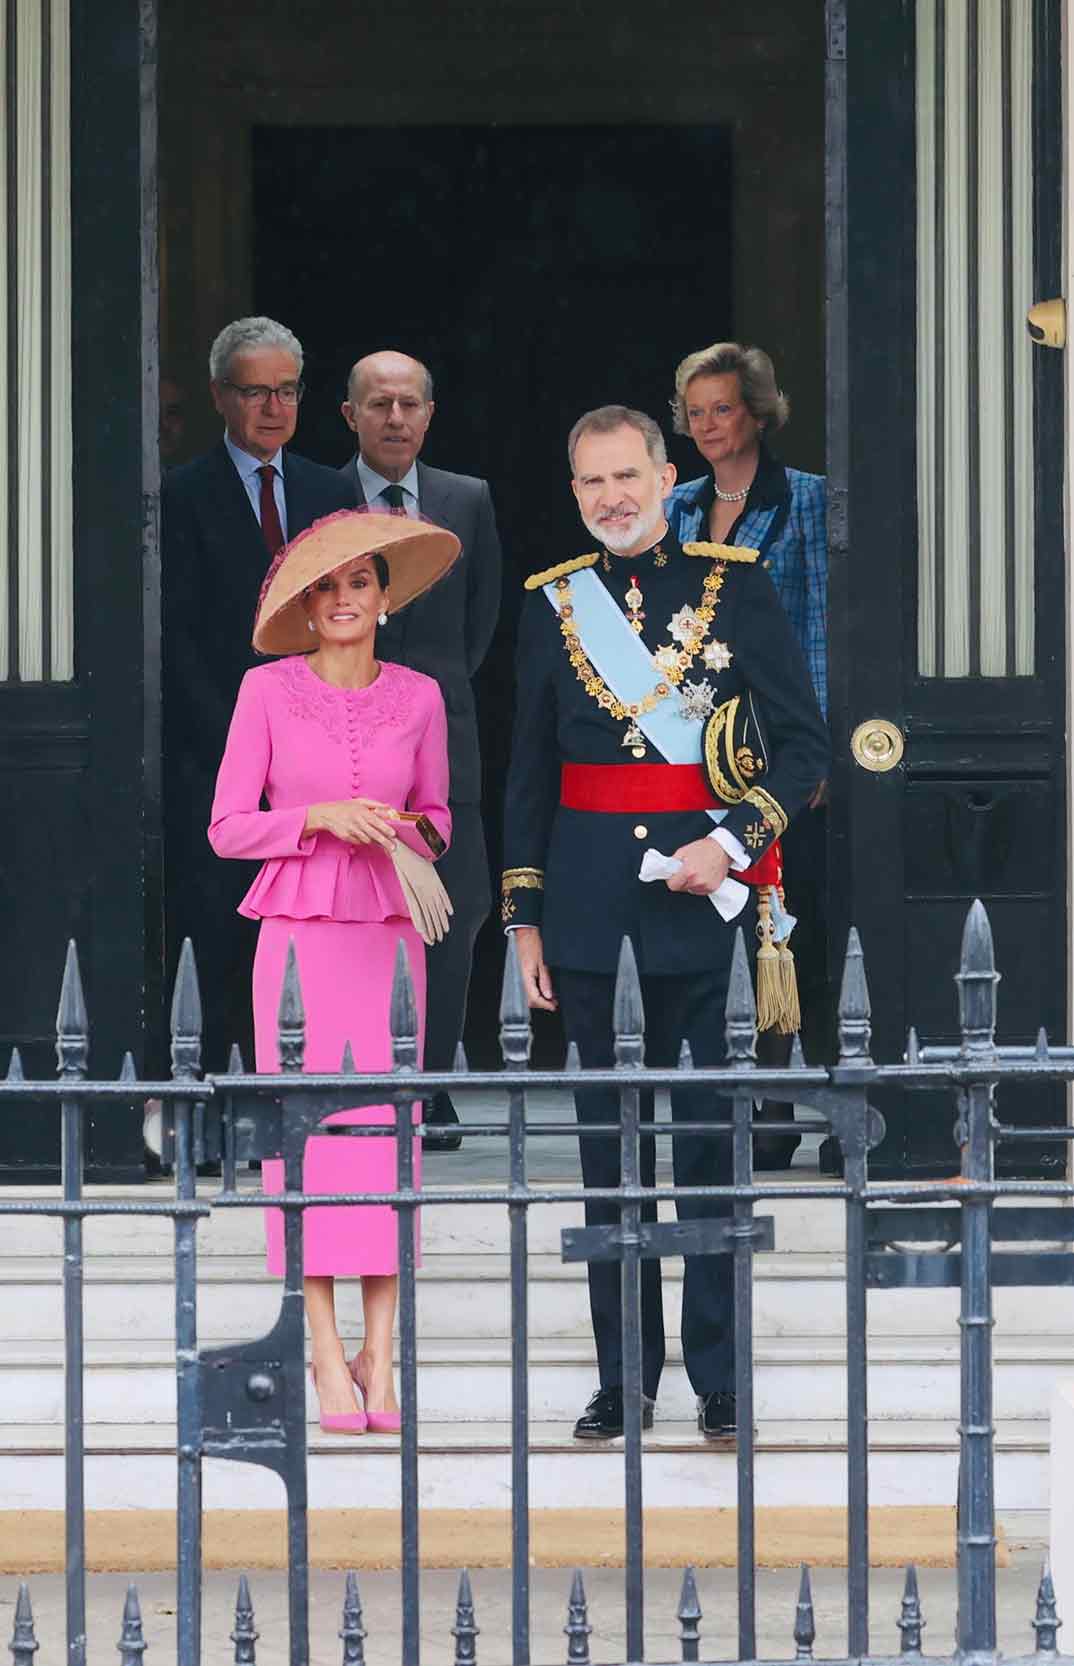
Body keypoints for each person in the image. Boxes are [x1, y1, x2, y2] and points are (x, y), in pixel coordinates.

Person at [501, 406, 828, 1440]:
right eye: (591, 482)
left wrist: (728, 844)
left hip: (703, 916)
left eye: (627, 475)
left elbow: (805, 749)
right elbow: (527, 779)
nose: (612, 497)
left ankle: (720, 1380)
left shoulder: (739, 583)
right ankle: (624, 1377)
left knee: (708, 1155)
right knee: (612, 1163)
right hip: (593, 914)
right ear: (576, 491)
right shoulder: (553, 605)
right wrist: (525, 922)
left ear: (665, 472)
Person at [208, 508, 459, 1432]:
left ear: (385, 599)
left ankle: (380, 1361)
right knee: (307, 1142)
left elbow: (437, 817)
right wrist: (319, 818)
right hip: (300, 938)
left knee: (384, 1142)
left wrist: (394, 831)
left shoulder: (424, 696)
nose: (344, 599)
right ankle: (323, 1354)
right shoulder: (265, 692)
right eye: (326, 588)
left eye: (360, 583)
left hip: (388, 936)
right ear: (307, 608)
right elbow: (228, 828)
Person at [163, 317, 356, 1073]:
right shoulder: (180, 496)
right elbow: (178, 637)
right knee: (224, 931)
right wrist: (247, 740)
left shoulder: (330, 489)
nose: (274, 407)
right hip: (221, 752)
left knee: (320, 932)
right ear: (220, 396)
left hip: (323, 750)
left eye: (287, 390)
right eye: (254, 392)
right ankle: (220, 1095)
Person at [665, 342, 829, 1168]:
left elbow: (825, 630)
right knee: (722, 929)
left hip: (788, 753)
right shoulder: (679, 506)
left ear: (758, 411)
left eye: (721, 408)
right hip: (703, 750)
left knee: (801, 930)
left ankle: (829, 1104)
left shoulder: (808, 502)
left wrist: (818, 755)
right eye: (693, 413)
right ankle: (752, 1110)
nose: (706, 426)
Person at [340, 349, 503, 1149]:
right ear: (351, 416)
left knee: (456, 908)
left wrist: (422, 702)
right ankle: (361, 1081)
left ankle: (431, 1087)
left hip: (446, 744)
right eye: (379, 405)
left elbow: (480, 623)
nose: (395, 418)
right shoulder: (319, 494)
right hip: (340, 744)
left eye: (409, 404)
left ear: (430, 414)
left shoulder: (465, 499)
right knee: (352, 909)